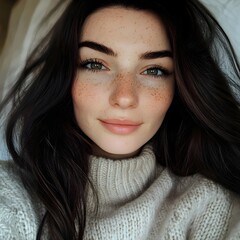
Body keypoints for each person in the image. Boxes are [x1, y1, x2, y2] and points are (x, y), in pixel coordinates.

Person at [0, 0, 240, 239]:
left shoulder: (211, 205)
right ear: (65, 77)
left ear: (178, 88)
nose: (124, 97)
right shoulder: (11, 196)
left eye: (154, 70)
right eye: (95, 64)